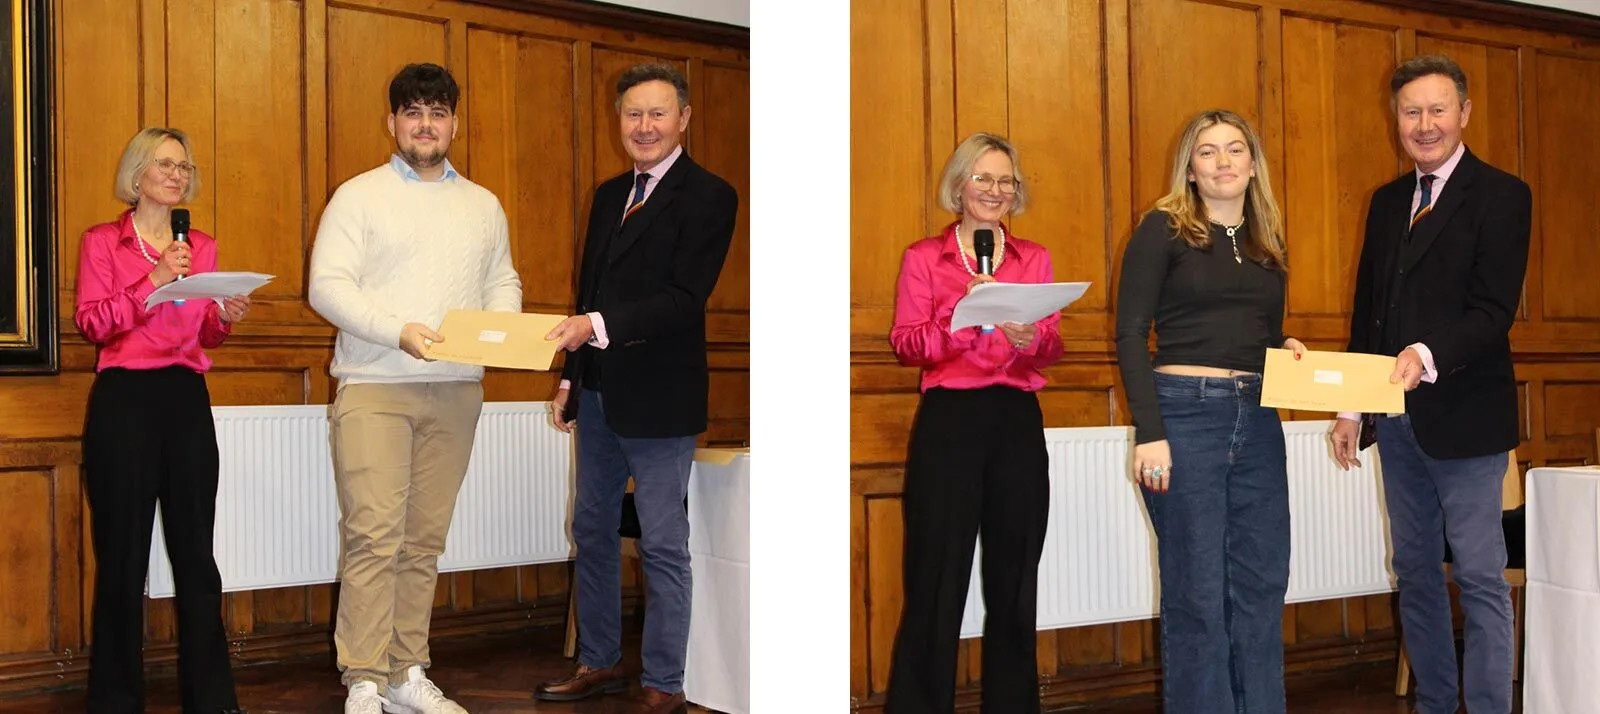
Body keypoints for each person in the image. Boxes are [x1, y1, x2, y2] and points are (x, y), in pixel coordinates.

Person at [307, 62, 522, 714]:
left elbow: (502, 280)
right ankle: (364, 679)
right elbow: (327, 287)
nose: (425, 125)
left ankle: (406, 672)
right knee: (374, 536)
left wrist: (501, 332)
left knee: (423, 541)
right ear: (392, 122)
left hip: (456, 390)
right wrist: (395, 331)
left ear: (454, 123)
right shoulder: (358, 196)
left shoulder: (483, 205)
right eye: (413, 113)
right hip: (376, 385)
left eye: (437, 112)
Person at [1330, 54, 1530, 714]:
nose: (1425, 124)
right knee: (1414, 571)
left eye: (1438, 110)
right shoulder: (1387, 202)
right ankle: (1435, 705)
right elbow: (1369, 315)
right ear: (1396, 119)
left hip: (1468, 421)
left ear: (1464, 113)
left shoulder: (1503, 195)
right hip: (1395, 422)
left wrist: (1424, 351)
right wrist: (1351, 408)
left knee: (1478, 576)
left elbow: (1493, 311)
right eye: (1411, 112)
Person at [534, 62, 737, 714]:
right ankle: (598, 660)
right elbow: (588, 295)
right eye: (633, 114)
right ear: (618, 121)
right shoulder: (606, 196)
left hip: (660, 400)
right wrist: (570, 379)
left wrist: (594, 326)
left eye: (657, 113)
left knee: (662, 543)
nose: (644, 126)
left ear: (684, 118)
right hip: (597, 393)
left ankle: (665, 681)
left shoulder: (710, 195)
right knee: (591, 529)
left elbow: (684, 299)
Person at [1114, 110, 1305, 713]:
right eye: (1207, 151)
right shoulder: (1162, 229)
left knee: (1262, 584)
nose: (1223, 161)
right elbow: (1129, 334)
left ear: (1253, 163)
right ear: (1190, 169)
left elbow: (1262, 335)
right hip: (1184, 418)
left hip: (1258, 419)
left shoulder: (1268, 240)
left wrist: (1286, 346)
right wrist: (1150, 433)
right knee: (1197, 593)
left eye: (1235, 148)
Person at [881, 132, 1064, 714]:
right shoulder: (923, 258)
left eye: (1006, 180)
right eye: (983, 178)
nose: (994, 190)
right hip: (950, 421)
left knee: (1015, 579)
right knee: (936, 577)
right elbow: (906, 344)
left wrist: (1029, 337)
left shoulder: (1033, 258)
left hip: (1016, 420)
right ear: (959, 185)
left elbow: (1052, 347)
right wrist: (961, 319)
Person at [74, 127, 251, 714]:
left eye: (184, 167)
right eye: (166, 164)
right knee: (122, 557)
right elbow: (93, 323)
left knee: (197, 554)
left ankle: (212, 699)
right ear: (138, 172)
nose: (177, 175)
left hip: (185, 399)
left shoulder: (201, 246)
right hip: (124, 401)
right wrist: (152, 280)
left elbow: (206, 335)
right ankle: (115, 701)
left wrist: (225, 315)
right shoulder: (104, 242)